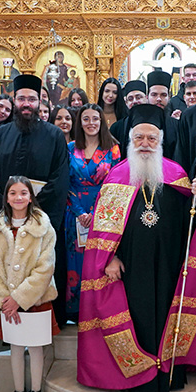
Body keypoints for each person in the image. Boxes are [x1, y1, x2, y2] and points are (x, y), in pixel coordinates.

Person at [77, 104, 196, 392]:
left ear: (160, 142)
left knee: (165, 314)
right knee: (135, 316)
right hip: (130, 265)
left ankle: (167, 374)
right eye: (139, 138)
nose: (145, 144)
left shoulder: (176, 173)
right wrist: (110, 258)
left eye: (152, 139)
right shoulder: (117, 176)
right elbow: (102, 229)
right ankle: (139, 378)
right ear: (130, 141)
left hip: (169, 263)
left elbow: (193, 221)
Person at [0, 74, 70, 324]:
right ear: (14, 100)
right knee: (4, 269)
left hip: (41, 221)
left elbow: (59, 178)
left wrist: (39, 217)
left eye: (31, 99)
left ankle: (47, 323)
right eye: (21, 98)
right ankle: (7, 323)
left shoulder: (54, 136)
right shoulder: (0, 135)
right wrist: (5, 213)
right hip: (7, 220)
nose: (26, 104)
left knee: (40, 270)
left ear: (40, 101)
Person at [0, 176, 58, 392]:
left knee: (35, 348)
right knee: (15, 347)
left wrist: (20, 298)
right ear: (6, 197)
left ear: (30, 196)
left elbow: (45, 267)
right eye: (13, 193)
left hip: (34, 299)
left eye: (23, 193)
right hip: (5, 300)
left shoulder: (43, 226)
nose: (18, 198)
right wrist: (5, 299)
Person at [65, 104, 120, 318]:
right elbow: (65, 183)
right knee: (75, 263)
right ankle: (76, 311)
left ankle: (99, 310)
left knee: (99, 260)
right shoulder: (70, 148)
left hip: (104, 212)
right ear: (79, 123)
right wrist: (80, 212)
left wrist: (97, 212)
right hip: (75, 214)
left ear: (102, 121)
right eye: (85, 119)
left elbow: (116, 184)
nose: (91, 123)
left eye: (95, 119)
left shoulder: (113, 148)